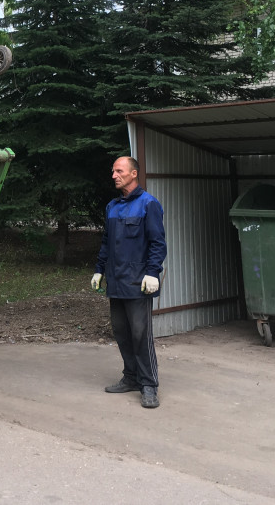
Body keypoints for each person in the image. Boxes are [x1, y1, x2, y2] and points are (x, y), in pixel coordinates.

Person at [91, 156, 166, 409]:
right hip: (116, 281)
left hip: (138, 282)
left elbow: (158, 243)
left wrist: (153, 272)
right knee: (121, 332)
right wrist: (99, 270)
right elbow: (106, 242)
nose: (114, 175)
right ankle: (131, 377)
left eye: (119, 171)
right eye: (113, 171)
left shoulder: (149, 205)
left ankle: (149, 385)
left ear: (134, 174)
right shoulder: (112, 206)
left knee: (140, 333)